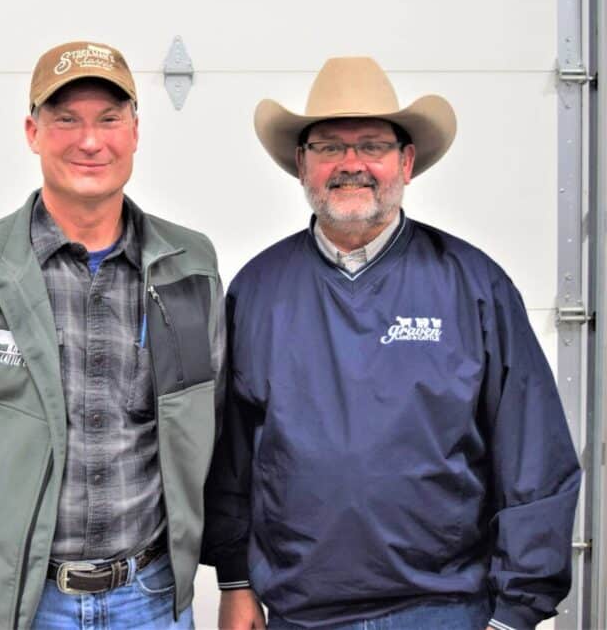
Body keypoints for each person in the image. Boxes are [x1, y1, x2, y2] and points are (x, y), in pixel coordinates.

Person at [202, 57, 581, 630]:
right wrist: (234, 579)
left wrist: (516, 612)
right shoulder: (258, 290)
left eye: (372, 146)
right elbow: (232, 458)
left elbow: (534, 456)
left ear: (406, 161)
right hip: (304, 614)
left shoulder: (473, 285)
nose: (350, 165)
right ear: (301, 164)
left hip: (446, 610)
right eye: (329, 147)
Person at [0, 40, 225, 630]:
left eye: (109, 118)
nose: (90, 140)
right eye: (65, 119)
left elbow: (208, 423)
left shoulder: (190, 267)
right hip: (16, 607)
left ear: (135, 131)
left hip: (150, 600)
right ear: (32, 131)